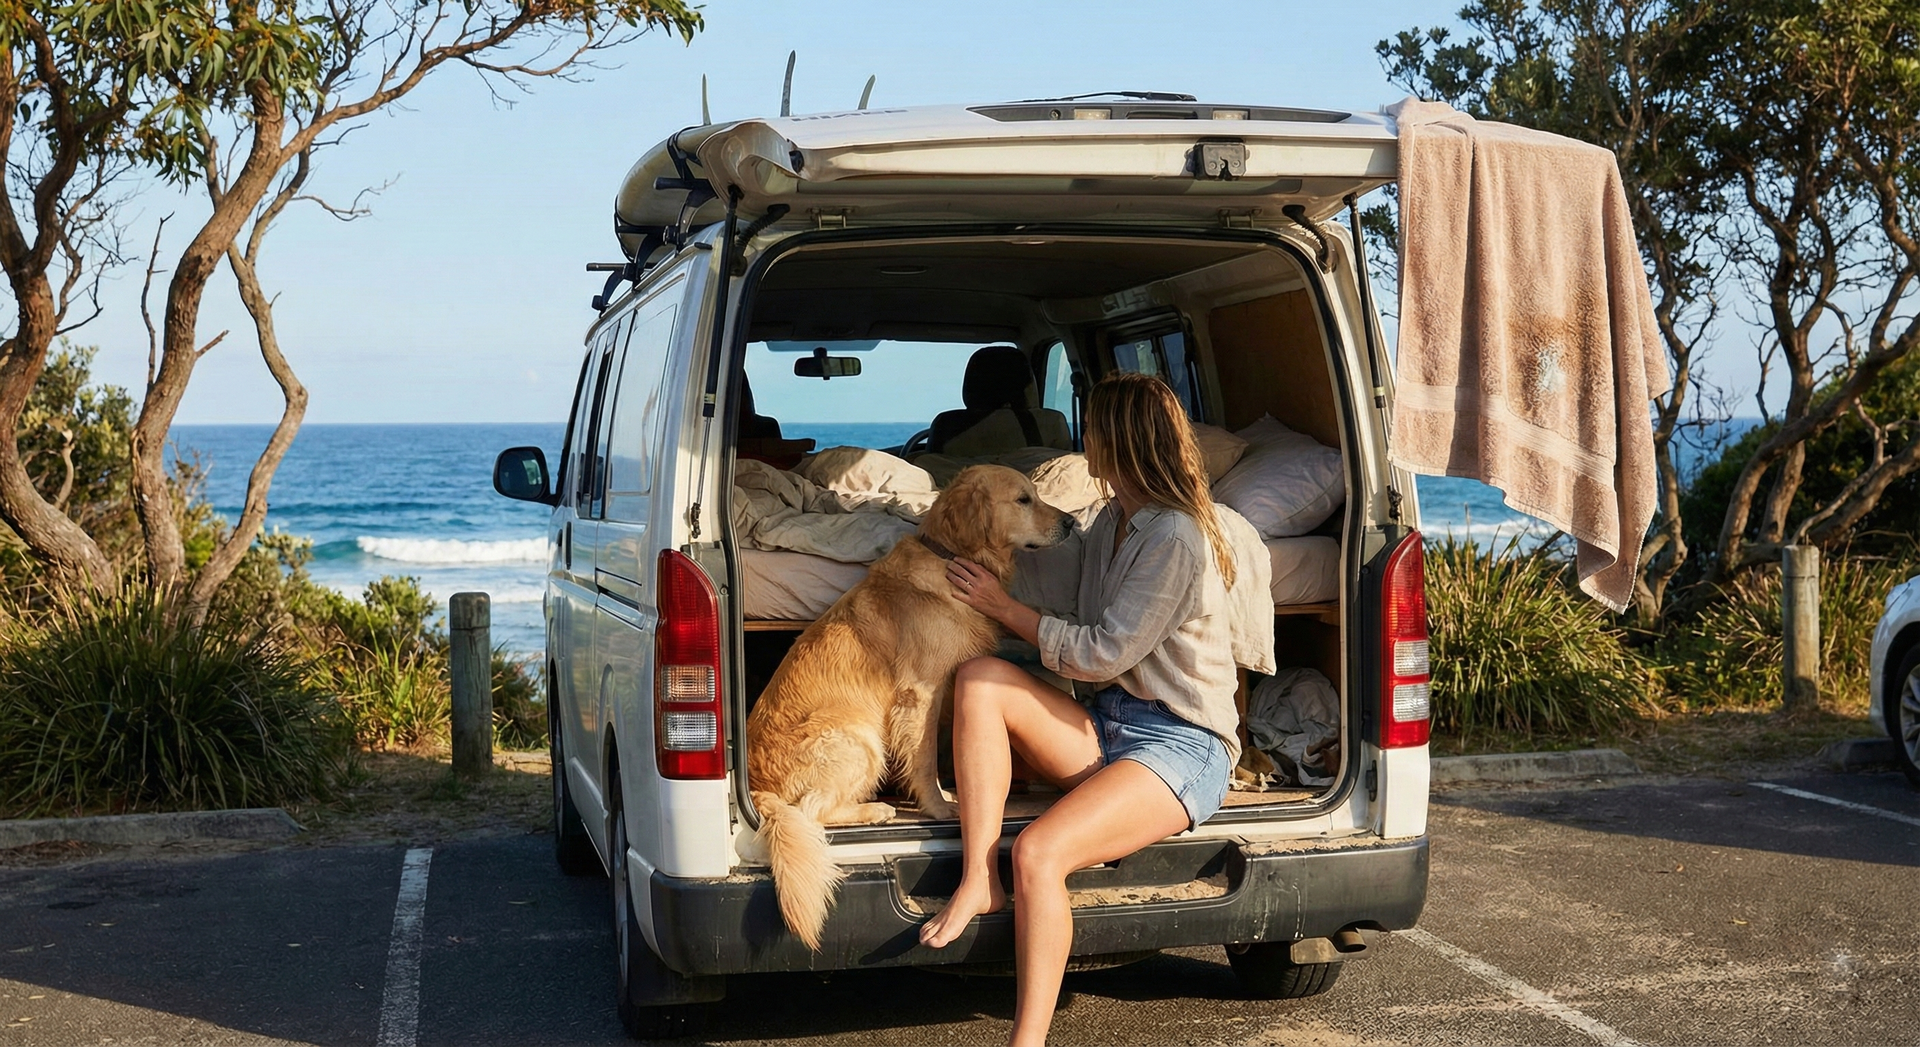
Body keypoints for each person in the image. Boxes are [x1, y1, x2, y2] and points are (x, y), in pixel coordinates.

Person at [918, 371, 1241, 1047]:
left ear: (1116, 441)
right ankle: (979, 878)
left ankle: (1026, 1042)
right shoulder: (1110, 522)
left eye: (1090, 424)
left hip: (1181, 745)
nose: (1082, 434)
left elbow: (1102, 652)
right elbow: (1052, 592)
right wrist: (938, 556)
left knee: (1037, 851)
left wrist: (1005, 610)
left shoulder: (1173, 538)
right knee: (979, 677)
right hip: (1112, 725)